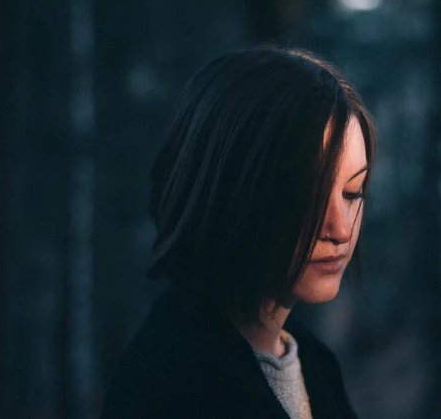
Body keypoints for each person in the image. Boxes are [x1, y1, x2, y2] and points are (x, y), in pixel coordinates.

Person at [100, 45, 376, 418]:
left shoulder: (315, 365)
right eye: (306, 195)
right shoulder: (171, 390)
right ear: (231, 189)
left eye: (352, 192)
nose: (340, 229)